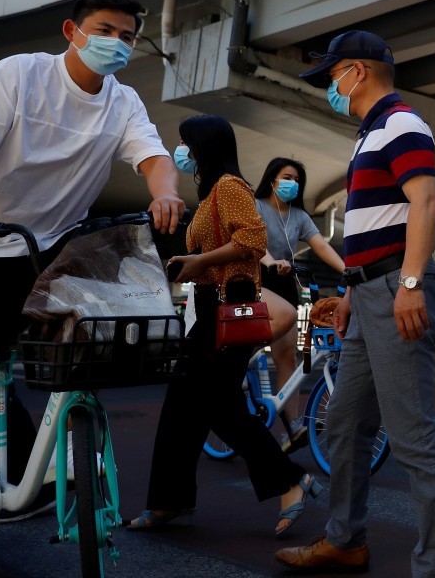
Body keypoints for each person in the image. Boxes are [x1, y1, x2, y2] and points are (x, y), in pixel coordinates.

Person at [0, 0, 186, 522]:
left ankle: (71, 456)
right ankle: (18, 475)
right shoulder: (19, 75)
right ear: (71, 32)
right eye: (104, 31)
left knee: (85, 351)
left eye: (127, 37)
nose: (116, 44)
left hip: (61, 247)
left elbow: (153, 155)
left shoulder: (123, 100)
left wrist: (164, 191)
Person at [277, 31, 435, 578]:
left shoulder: (401, 122)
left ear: (359, 70)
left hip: (394, 291)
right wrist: (351, 290)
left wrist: (406, 284)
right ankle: (345, 541)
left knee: (414, 440)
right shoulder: (369, 132)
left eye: (333, 76)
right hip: (370, 292)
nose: (331, 87)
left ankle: (433, 568)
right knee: (344, 425)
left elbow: (424, 200)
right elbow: (378, 223)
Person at [129, 114, 313, 537]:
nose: (183, 153)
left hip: (228, 309)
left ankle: (289, 482)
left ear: (204, 147)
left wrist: (199, 262)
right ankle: (168, 502)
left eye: (187, 145)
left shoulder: (229, 187)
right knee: (183, 405)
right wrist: (195, 268)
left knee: (217, 406)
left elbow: (252, 240)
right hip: (211, 306)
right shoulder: (213, 191)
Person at [254, 157, 346, 450]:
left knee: (288, 360)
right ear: (272, 179)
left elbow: (320, 245)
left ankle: (291, 427)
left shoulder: (299, 216)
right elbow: (254, 242)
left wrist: (349, 271)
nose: (291, 183)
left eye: (296, 179)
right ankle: (236, 370)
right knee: (255, 346)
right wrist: (270, 262)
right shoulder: (256, 206)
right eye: (286, 177)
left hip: (283, 282)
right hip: (256, 278)